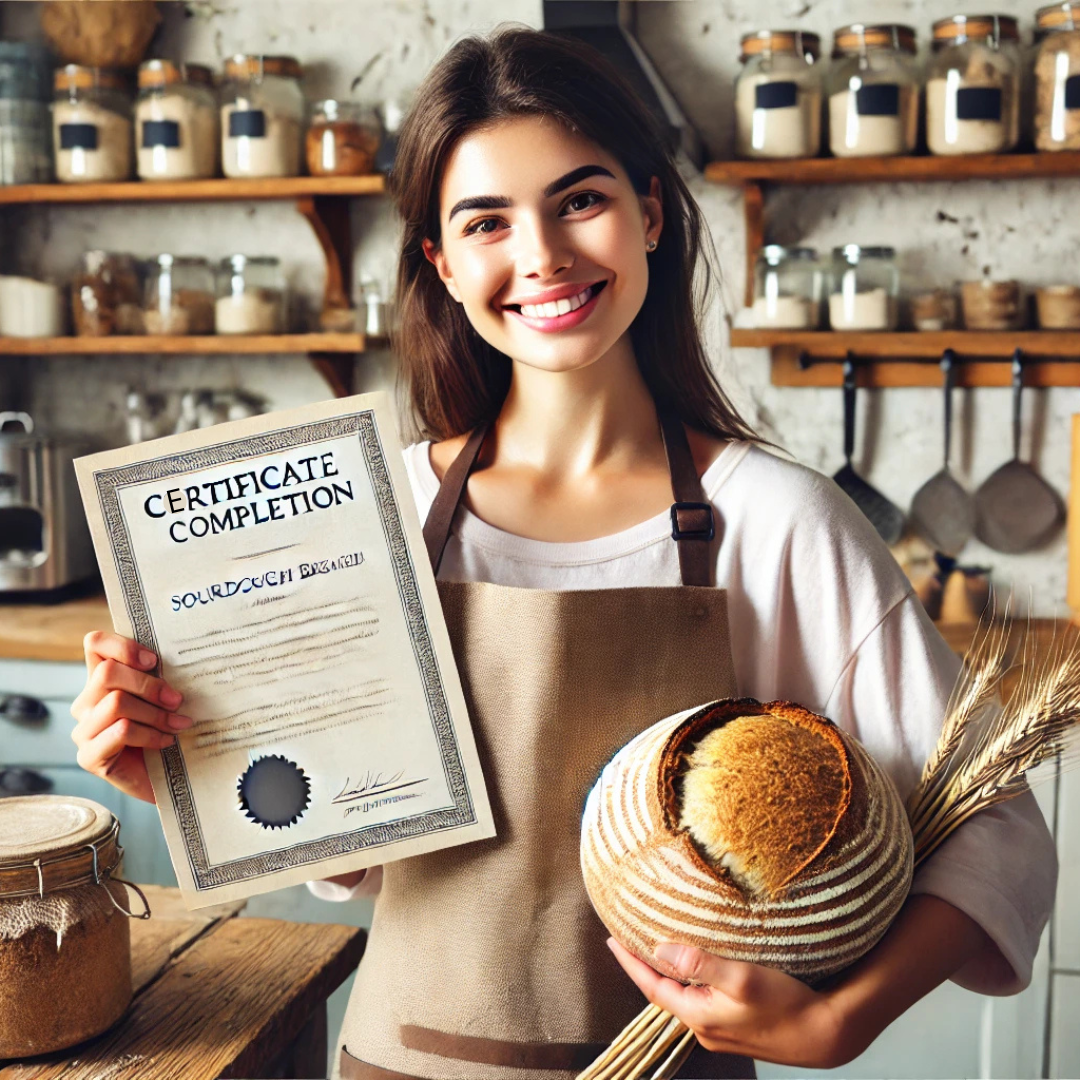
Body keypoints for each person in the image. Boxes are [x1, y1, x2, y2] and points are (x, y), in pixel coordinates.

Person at [71, 24, 1057, 1080]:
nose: (541, 255)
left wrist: (842, 1019)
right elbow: (348, 849)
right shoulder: (374, 510)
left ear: (650, 212)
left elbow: (997, 829)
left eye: (579, 200)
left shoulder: (778, 519)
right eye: (487, 221)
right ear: (442, 266)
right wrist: (184, 768)